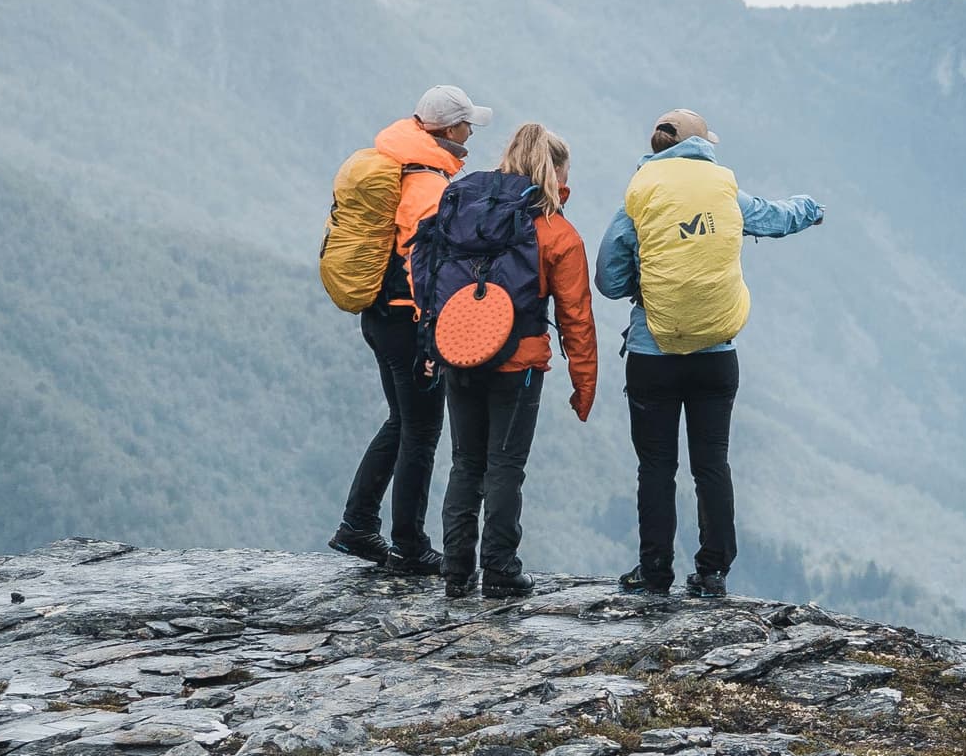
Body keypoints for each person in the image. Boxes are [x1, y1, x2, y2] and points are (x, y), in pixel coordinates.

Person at [595, 107, 822, 598]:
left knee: (656, 466)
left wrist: (650, 284)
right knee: (711, 463)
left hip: (651, 353)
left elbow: (609, 280)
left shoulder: (639, 196)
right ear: (702, 146)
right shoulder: (725, 192)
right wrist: (811, 205)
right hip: (716, 355)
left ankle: (653, 571)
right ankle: (713, 571)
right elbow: (777, 217)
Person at [418, 122, 597, 602]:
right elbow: (576, 316)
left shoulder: (463, 211)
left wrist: (433, 343)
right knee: (504, 467)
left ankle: (456, 571)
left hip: (459, 354)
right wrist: (584, 385)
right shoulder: (555, 231)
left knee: (464, 463)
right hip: (518, 365)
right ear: (555, 174)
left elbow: (428, 272)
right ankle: (500, 568)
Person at [320, 84, 486, 576]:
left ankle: (357, 524)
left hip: (378, 314)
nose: (472, 132)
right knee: (422, 431)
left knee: (401, 421)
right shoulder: (427, 182)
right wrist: (431, 333)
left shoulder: (399, 160)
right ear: (448, 129)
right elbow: (422, 260)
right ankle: (409, 545)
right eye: (467, 124)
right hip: (405, 318)